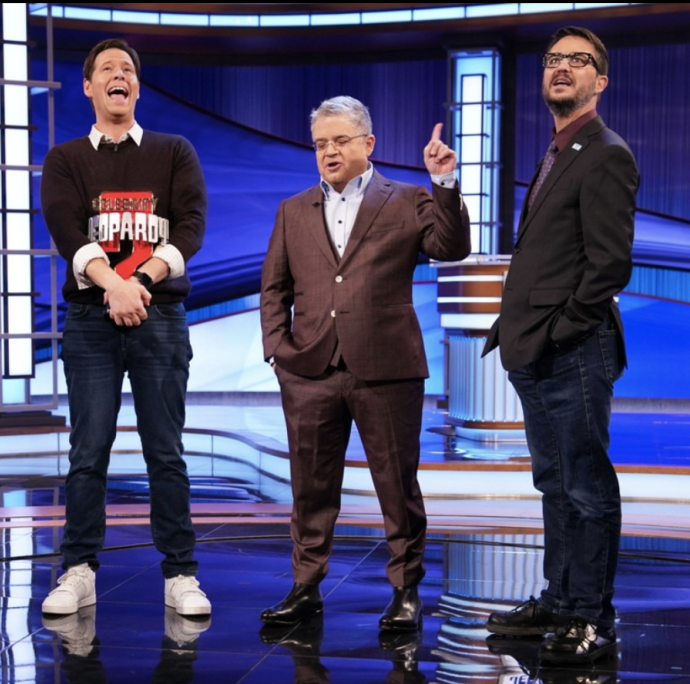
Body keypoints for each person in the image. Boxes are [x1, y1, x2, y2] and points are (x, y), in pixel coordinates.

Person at [259, 96, 470, 631]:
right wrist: (278, 350)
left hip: (387, 366)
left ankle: (405, 590)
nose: (328, 152)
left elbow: (451, 247)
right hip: (309, 370)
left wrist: (444, 183)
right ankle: (305, 586)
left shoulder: (406, 198)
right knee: (310, 486)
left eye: (340, 141)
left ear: (368, 144)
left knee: (396, 485)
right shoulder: (292, 209)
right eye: (321, 144)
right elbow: (274, 289)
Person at [482, 26, 638, 664]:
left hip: (574, 350)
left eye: (579, 61)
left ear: (601, 81)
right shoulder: (559, 150)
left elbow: (608, 267)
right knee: (555, 483)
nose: (562, 69)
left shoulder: (605, 152)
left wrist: (559, 330)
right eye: (553, 60)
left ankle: (592, 616)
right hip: (537, 351)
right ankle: (560, 595)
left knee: (586, 488)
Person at [40, 38, 210, 617]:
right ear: (88, 87)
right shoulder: (65, 159)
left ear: (137, 87)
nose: (120, 75)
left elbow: (190, 226)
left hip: (160, 316)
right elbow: (68, 234)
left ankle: (181, 574)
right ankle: (79, 569)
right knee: (89, 450)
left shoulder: (174, 150)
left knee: (167, 450)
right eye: (107, 69)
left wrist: (142, 280)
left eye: (130, 69)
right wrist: (113, 287)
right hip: (91, 320)